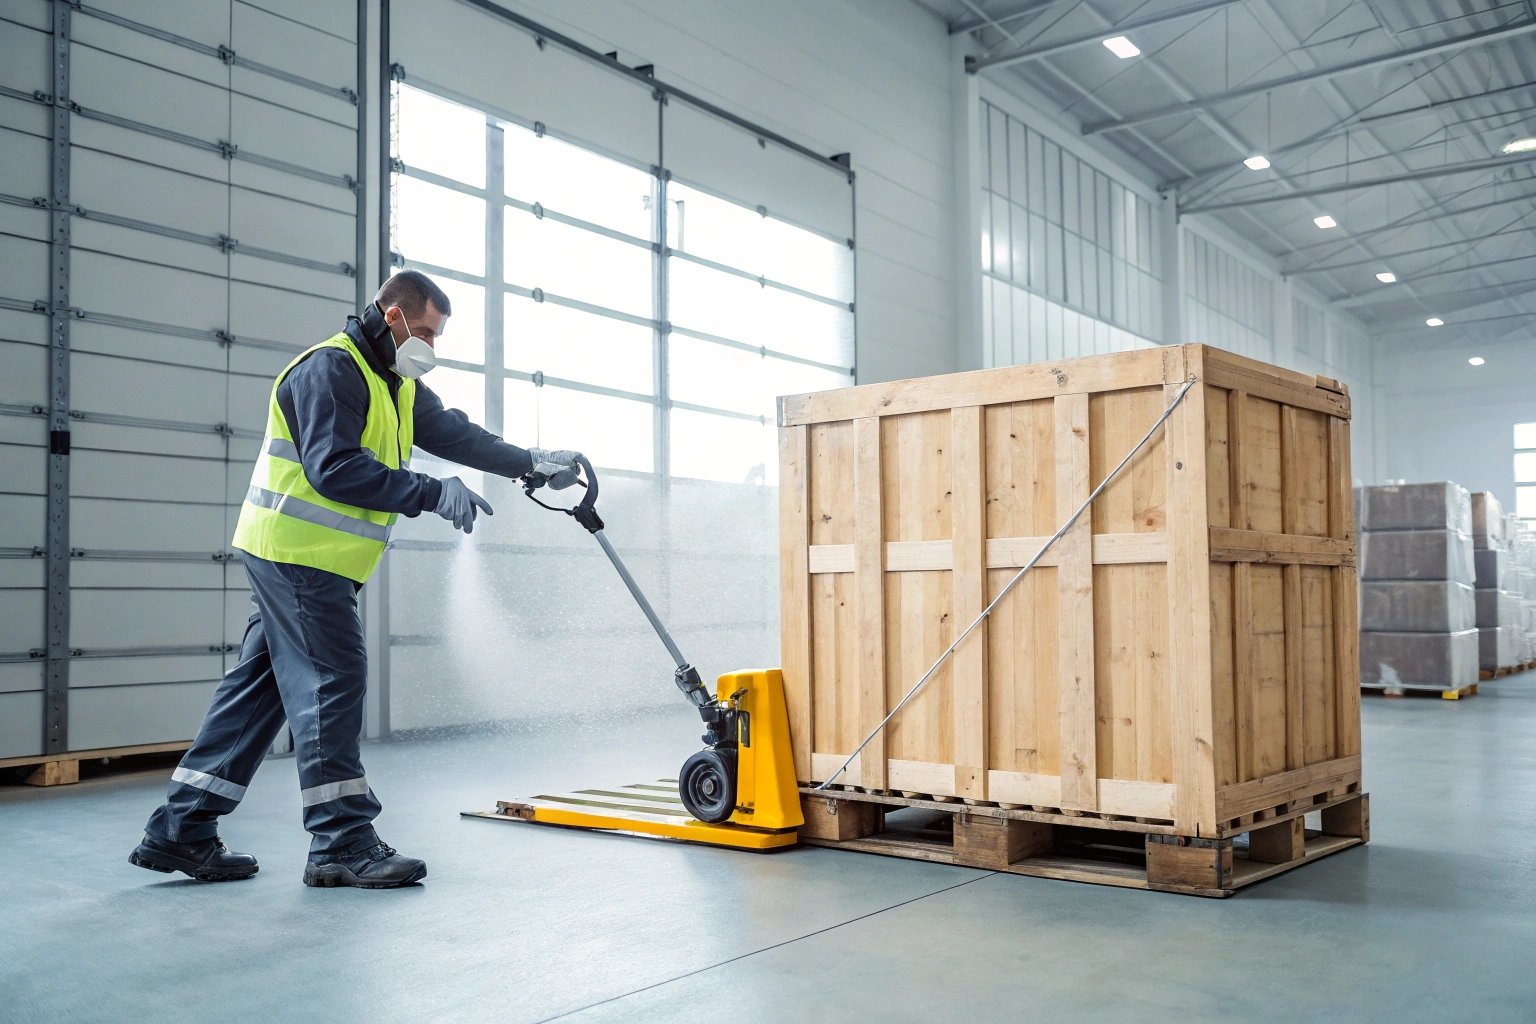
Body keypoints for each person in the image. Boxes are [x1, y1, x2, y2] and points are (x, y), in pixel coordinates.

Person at [130, 270, 581, 889]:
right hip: (298, 553)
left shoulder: (392, 379)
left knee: (260, 690)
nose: (430, 346)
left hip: (315, 559)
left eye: (436, 336)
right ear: (391, 316)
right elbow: (334, 469)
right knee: (333, 678)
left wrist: (529, 463)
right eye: (423, 331)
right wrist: (428, 491)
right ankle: (341, 842)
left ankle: (181, 828)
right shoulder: (331, 370)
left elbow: (450, 431)